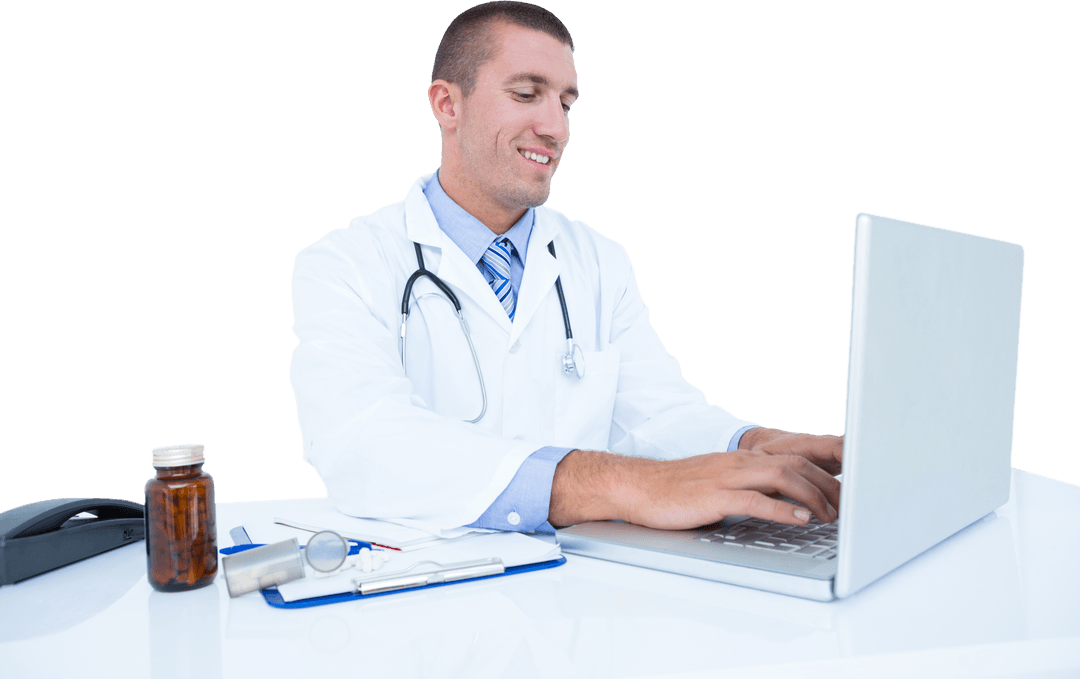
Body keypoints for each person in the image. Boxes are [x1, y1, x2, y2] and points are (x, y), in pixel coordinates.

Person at [289, 1, 842, 537]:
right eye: (527, 94)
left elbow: (654, 414)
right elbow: (361, 441)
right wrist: (619, 485)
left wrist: (751, 447)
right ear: (446, 105)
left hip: (577, 593)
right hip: (419, 596)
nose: (556, 128)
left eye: (567, 103)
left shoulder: (598, 259)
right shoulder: (345, 263)